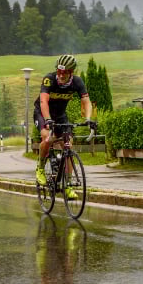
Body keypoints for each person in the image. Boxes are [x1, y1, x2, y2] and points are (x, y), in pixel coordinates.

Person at [34, 54, 97, 198]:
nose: (61, 75)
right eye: (59, 71)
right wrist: (48, 119)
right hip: (43, 113)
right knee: (47, 138)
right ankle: (40, 168)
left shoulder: (77, 82)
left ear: (71, 72)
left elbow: (86, 101)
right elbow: (43, 102)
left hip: (61, 115)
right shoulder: (49, 79)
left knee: (68, 145)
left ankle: (67, 185)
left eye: (65, 72)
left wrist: (88, 119)